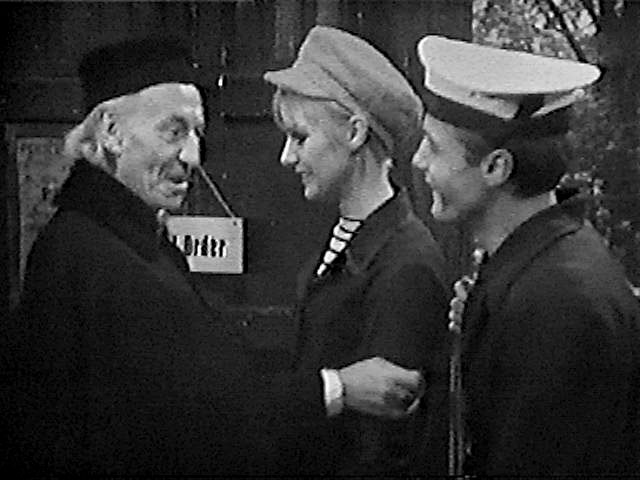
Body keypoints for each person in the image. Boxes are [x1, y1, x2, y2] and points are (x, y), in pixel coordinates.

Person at [0, 36, 435, 476]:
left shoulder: (128, 243)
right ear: (111, 132)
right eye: (174, 131)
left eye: (197, 134)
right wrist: (336, 388)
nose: (193, 156)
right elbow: (191, 419)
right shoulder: (90, 257)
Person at [406, 36, 640, 476]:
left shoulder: (556, 301)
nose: (419, 160)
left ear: (496, 168)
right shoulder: (530, 270)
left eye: (433, 146)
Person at [261, 26, 450, 476]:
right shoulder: (354, 242)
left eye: (300, 137)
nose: (287, 157)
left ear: (354, 132)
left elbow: (383, 447)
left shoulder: (406, 266)